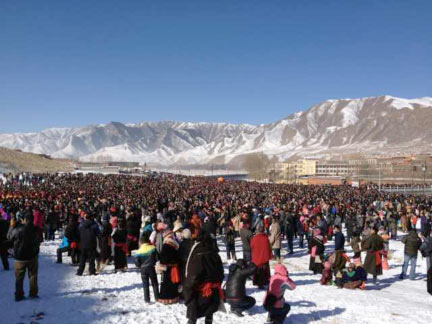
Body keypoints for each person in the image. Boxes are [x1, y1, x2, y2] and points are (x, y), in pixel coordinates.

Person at [184, 230, 224, 324]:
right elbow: (221, 273)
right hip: (213, 290)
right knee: (209, 314)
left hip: (201, 291)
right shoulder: (215, 254)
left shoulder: (198, 254)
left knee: (193, 315)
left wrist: (188, 287)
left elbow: (194, 275)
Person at [7, 213, 40, 301]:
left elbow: (9, 237)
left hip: (20, 257)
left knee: (19, 277)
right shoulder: (36, 229)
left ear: (24, 220)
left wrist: (11, 227)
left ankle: (19, 295)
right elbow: (40, 240)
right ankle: (33, 293)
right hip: (32, 256)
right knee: (33, 275)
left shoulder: (18, 229)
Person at [135, 232, 159, 303]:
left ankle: (147, 299)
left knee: (145, 284)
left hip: (143, 269)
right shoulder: (153, 248)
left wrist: (140, 266)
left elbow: (137, 263)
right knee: (154, 283)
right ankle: (157, 298)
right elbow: (157, 258)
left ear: (141, 242)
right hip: (151, 268)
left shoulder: (138, 251)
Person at [157, 230, 181, 304]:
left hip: (167, 268)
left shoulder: (165, 245)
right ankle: (174, 297)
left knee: (166, 283)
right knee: (173, 283)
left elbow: (163, 259)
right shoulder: (175, 245)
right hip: (174, 267)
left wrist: (161, 265)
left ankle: (166, 299)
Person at [76, 212, 100, 276]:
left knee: (83, 258)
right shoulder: (94, 224)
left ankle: (80, 272)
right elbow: (99, 234)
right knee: (92, 258)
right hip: (92, 243)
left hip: (83, 243)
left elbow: (78, 233)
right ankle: (92, 271)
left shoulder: (81, 224)